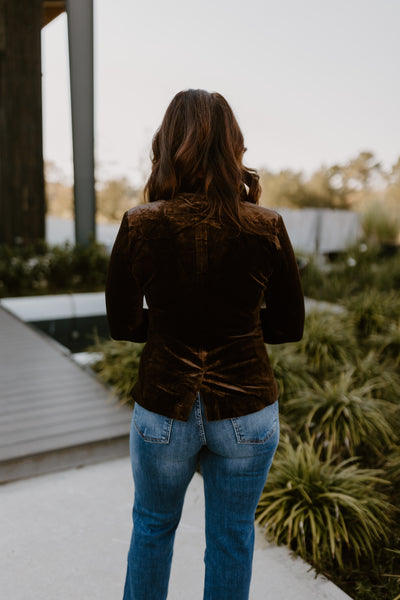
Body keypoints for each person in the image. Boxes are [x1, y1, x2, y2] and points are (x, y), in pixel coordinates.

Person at [105, 89, 305, 600]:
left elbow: (125, 325)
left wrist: (176, 322)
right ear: (232, 147)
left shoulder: (139, 222)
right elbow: (288, 326)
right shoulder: (267, 226)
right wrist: (232, 323)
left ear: (167, 144)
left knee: (151, 529)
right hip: (248, 412)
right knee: (232, 540)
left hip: (163, 410)